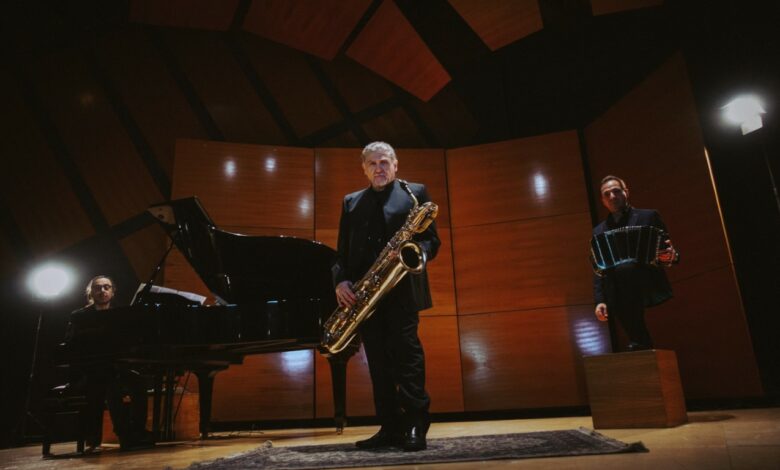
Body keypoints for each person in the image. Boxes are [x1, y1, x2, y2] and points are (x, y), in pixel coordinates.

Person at [333, 142, 440, 451]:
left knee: (407, 358)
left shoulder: (415, 193)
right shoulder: (351, 202)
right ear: (364, 169)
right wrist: (341, 282)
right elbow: (341, 252)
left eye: (384, 162)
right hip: (366, 295)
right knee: (378, 363)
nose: (378, 168)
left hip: (402, 290)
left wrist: (416, 251)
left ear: (395, 165)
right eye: (372, 164)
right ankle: (389, 427)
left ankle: (416, 423)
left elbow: (432, 241)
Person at [65, 276, 153, 451]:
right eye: (98, 288)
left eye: (107, 287)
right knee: (111, 385)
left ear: (113, 292)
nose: (102, 291)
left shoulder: (120, 315)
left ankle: (137, 431)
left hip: (115, 368)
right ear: (90, 292)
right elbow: (71, 344)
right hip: (88, 372)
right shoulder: (79, 316)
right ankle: (124, 435)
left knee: (139, 383)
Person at [592, 176, 680, 351]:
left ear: (626, 192)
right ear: (603, 201)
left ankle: (638, 339)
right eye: (607, 194)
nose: (612, 196)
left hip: (646, 280)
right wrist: (599, 301)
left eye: (616, 191)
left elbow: (668, 251)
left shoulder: (649, 216)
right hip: (618, 287)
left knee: (625, 270)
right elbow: (599, 269)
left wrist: (672, 256)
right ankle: (640, 341)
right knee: (618, 276)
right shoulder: (598, 231)